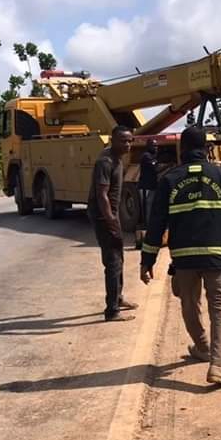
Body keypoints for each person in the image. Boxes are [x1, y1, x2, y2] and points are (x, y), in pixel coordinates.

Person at [140, 126, 221, 386]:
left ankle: (201, 346)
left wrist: (147, 260)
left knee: (189, 304)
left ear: (182, 149)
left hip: (185, 258)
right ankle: (217, 365)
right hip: (218, 255)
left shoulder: (169, 180)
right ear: (207, 149)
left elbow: (156, 224)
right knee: (220, 307)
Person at [88, 125, 138, 322]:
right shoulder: (105, 161)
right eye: (123, 141)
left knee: (118, 258)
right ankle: (112, 310)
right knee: (113, 261)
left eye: (129, 141)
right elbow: (101, 195)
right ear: (112, 140)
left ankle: (118, 297)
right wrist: (111, 221)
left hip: (111, 213)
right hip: (103, 214)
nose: (127, 144)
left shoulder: (117, 158)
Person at [138, 138, 158, 227]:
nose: (156, 147)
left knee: (151, 205)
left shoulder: (153, 156)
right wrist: (168, 166)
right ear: (148, 146)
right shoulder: (146, 156)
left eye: (157, 146)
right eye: (154, 146)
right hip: (146, 187)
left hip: (152, 186)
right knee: (147, 206)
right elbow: (155, 168)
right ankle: (147, 225)